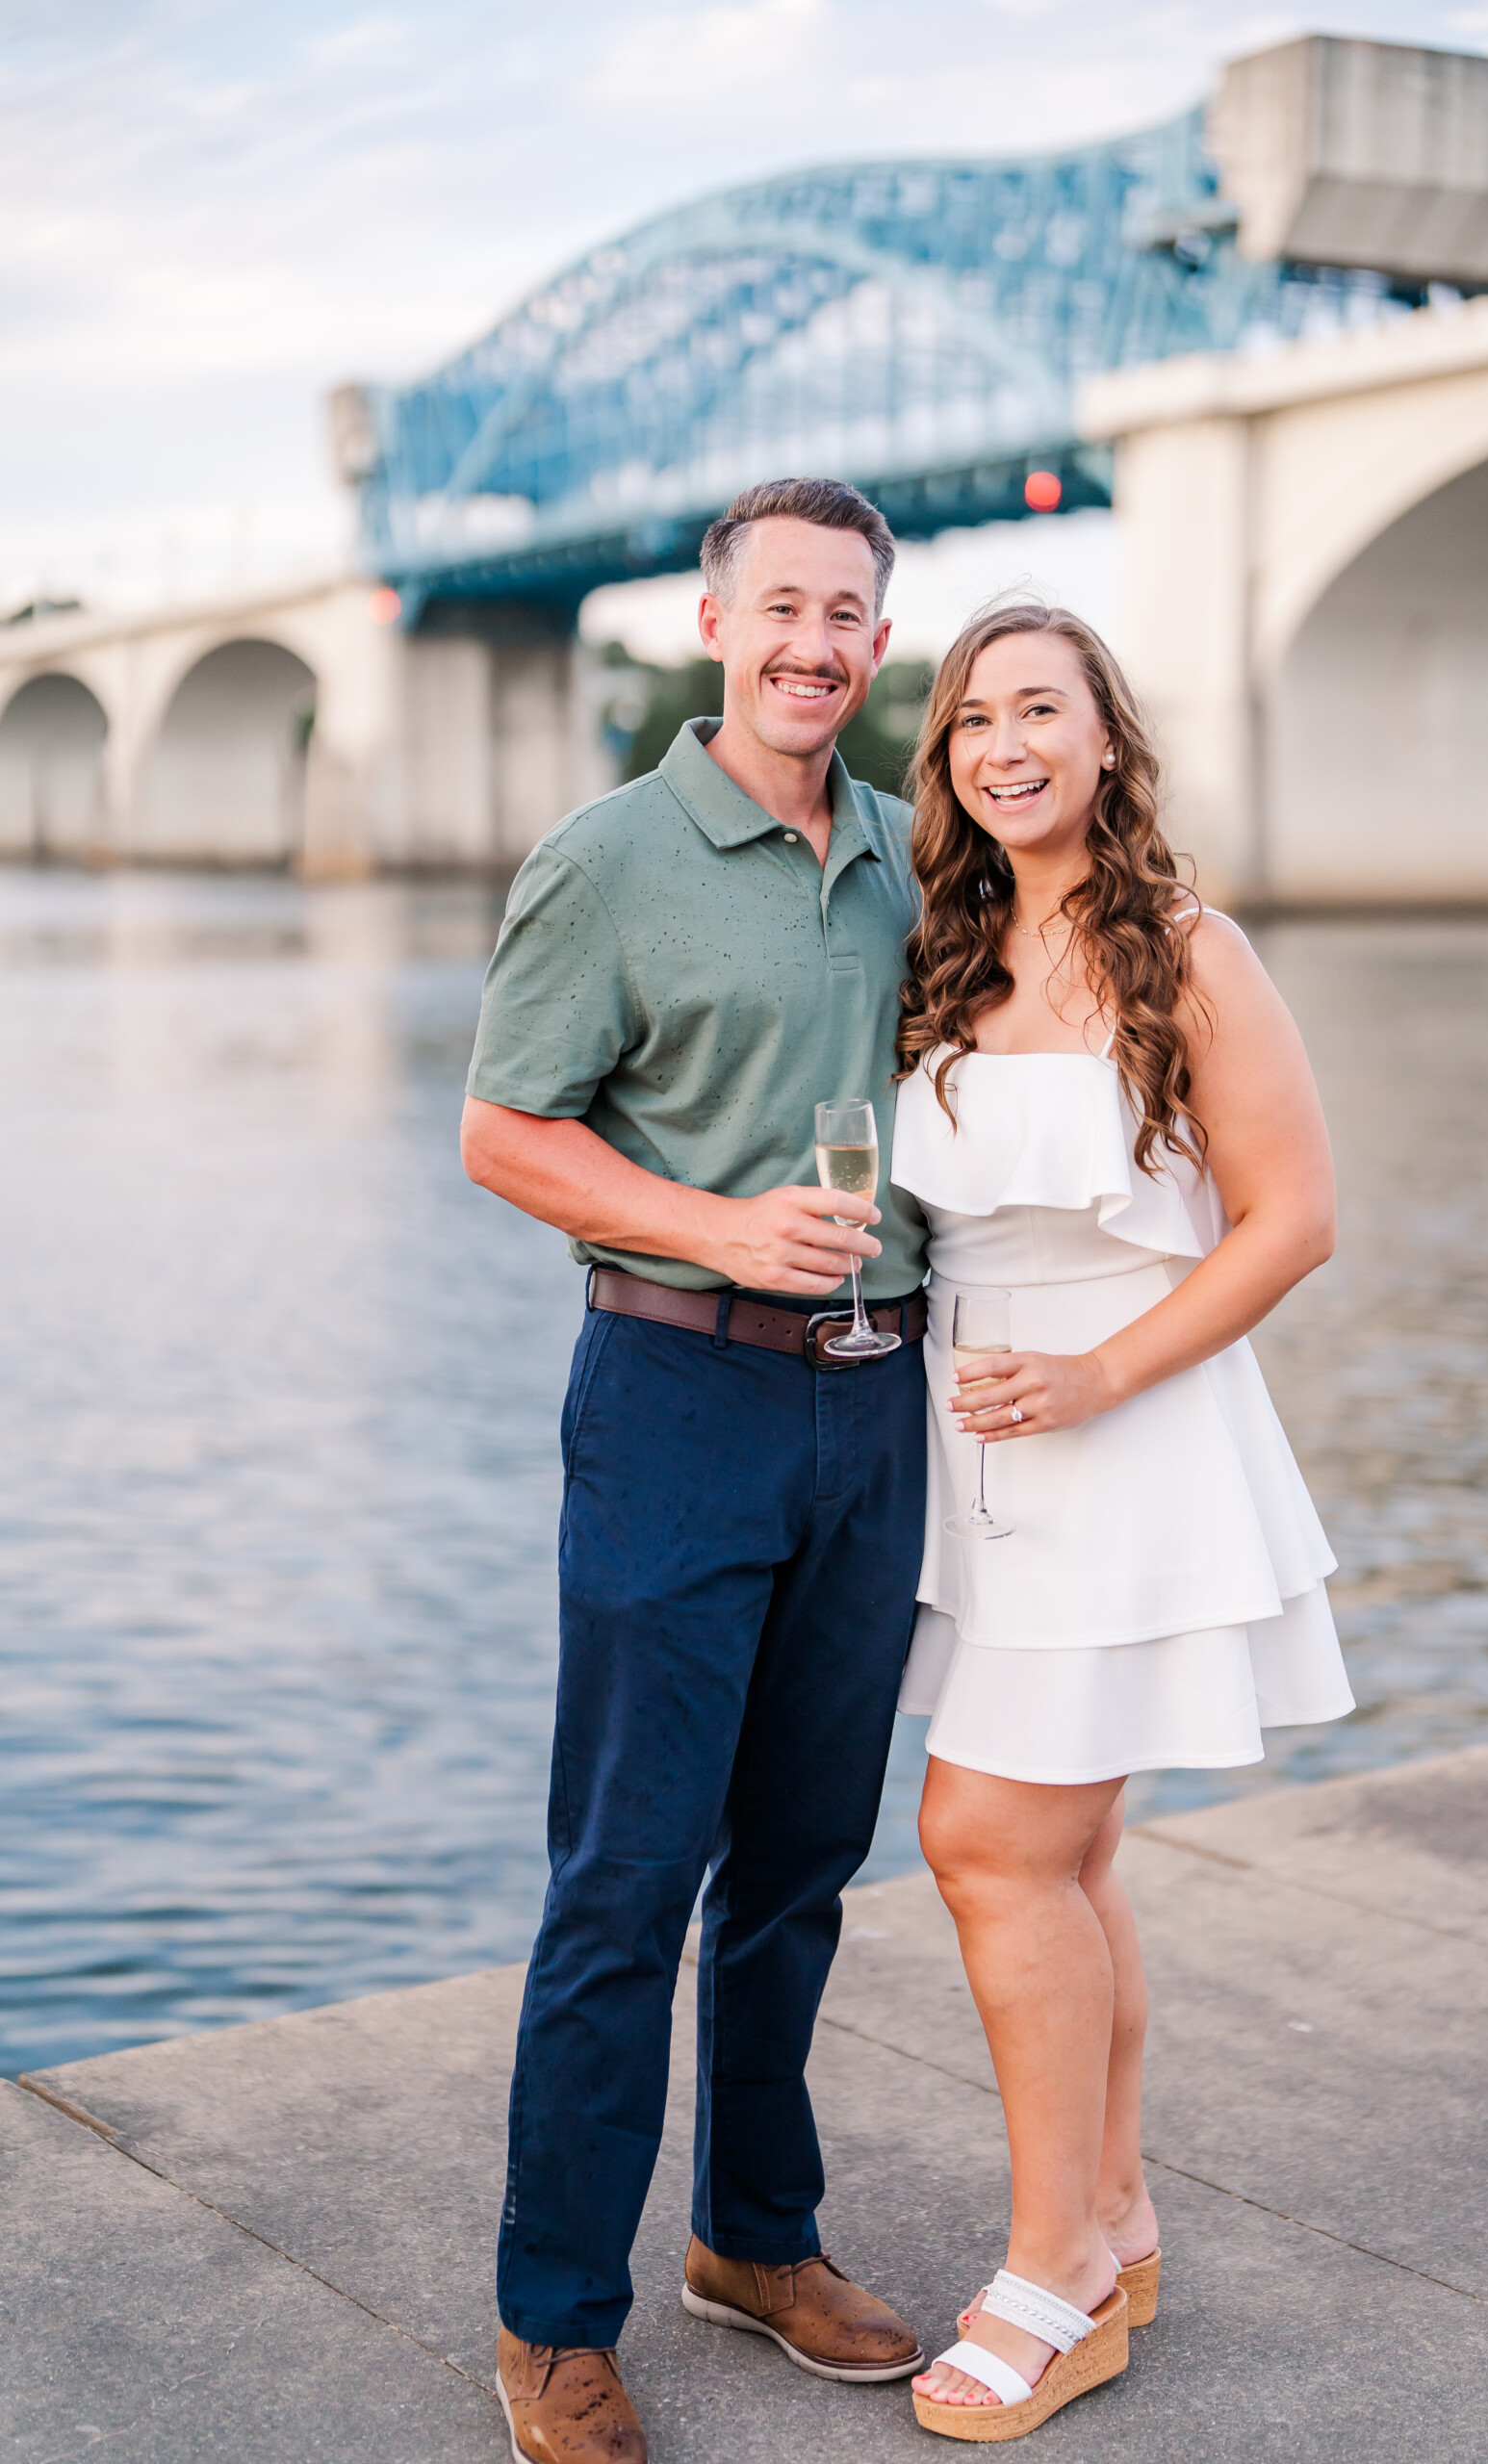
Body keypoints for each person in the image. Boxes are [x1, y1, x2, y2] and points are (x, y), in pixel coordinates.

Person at [460, 477, 933, 2464]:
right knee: (628, 1876)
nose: (812, 642)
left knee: (804, 1867)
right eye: (780, 608)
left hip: (879, 1404)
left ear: (876, 646)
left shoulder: (921, 854)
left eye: (846, 613)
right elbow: (503, 1131)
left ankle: (755, 2234)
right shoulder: (609, 856)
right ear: (713, 623)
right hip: (679, 1394)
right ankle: (554, 2313)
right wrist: (717, 1226)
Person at [887, 602, 1354, 2441]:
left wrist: (1097, 1379)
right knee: (1067, 1862)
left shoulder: (1190, 949)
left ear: (1105, 740)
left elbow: (1292, 1218)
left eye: (1040, 712)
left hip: (1125, 1436)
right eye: (974, 720)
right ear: (949, 762)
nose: (1006, 745)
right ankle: (1120, 2211)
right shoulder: (943, 948)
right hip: (969, 1445)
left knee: (986, 1842)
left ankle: (1053, 2272)